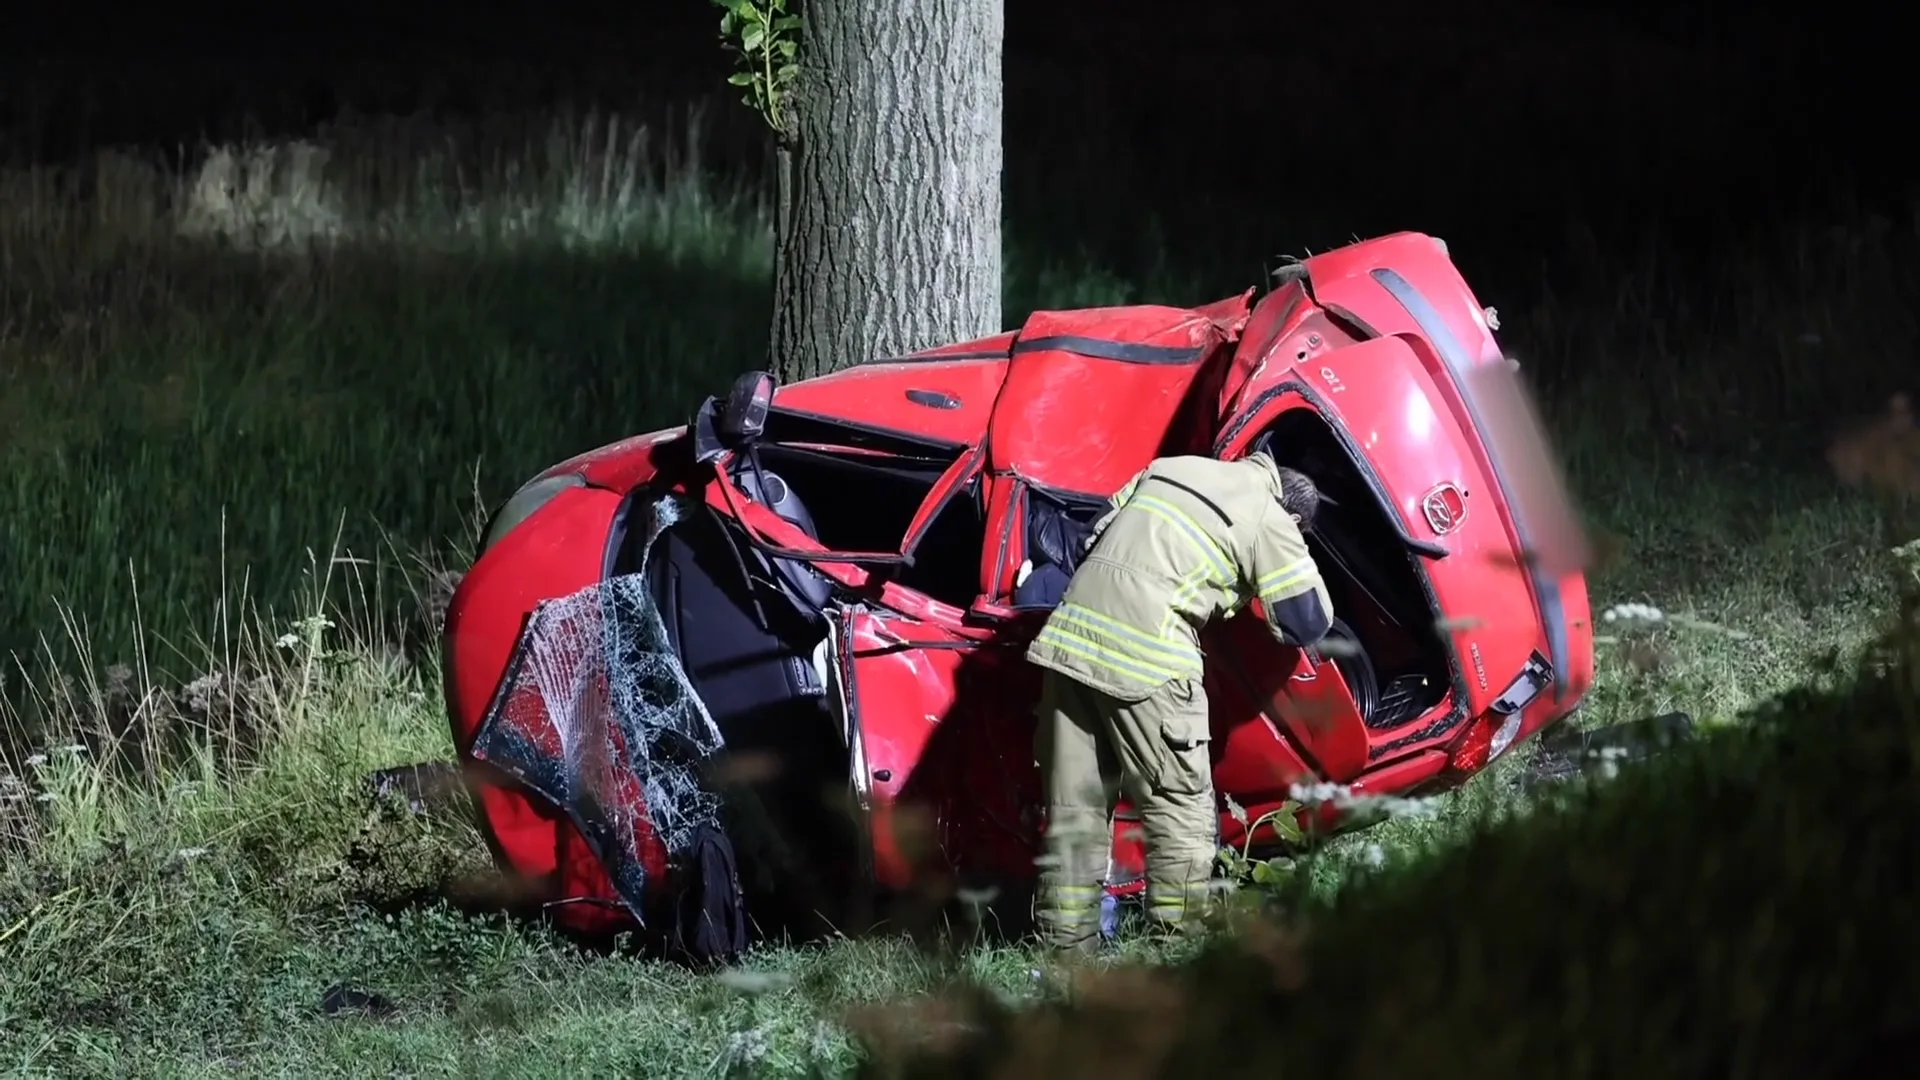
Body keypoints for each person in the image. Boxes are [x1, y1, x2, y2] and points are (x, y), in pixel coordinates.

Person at [1025, 451, 1335, 951]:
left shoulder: (1171, 466)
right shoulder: (1267, 513)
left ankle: (1065, 956)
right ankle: (1177, 952)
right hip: (1150, 657)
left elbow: (1089, 537)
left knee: (1074, 813)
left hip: (1070, 642)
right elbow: (1304, 619)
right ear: (1296, 517)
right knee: (1180, 813)